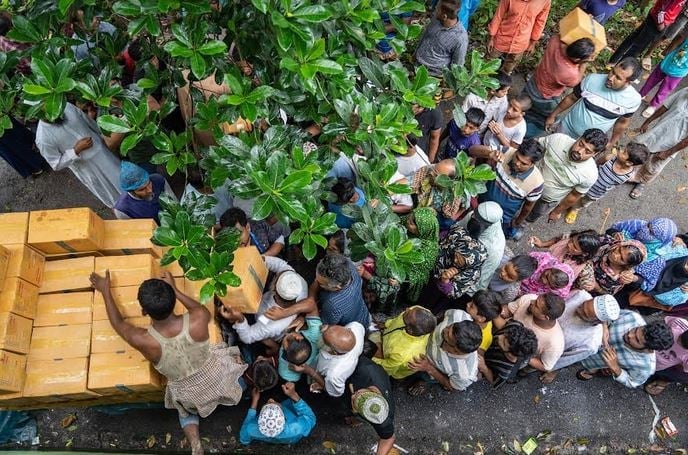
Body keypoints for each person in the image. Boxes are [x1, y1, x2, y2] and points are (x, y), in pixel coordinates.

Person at [89, 271, 247, 454]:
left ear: (143, 312)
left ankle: (195, 443)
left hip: (189, 393)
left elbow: (118, 324)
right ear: (174, 301)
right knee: (234, 366)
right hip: (217, 374)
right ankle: (238, 388)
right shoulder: (199, 318)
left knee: (185, 412)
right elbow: (197, 308)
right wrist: (175, 290)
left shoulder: (143, 339)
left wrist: (105, 291)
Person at [35, 102, 122, 207]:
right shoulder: (43, 138)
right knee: (113, 195)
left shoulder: (65, 106)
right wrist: (76, 150)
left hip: (104, 152)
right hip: (89, 169)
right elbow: (56, 164)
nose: (54, 114)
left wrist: (106, 137)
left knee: (124, 178)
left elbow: (88, 122)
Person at [545, 59, 642, 150]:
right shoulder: (591, 79)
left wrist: (612, 142)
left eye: (618, 78)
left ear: (629, 82)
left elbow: (622, 122)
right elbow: (571, 98)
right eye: (612, 71)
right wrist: (552, 115)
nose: (610, 78)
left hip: (589, 145)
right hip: (566, 129)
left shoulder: (633, 100)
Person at [266, 253, 371, 329]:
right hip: (361, 311)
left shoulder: (334, 304)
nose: (316, 282)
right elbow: (315, 286)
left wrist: (303, 317)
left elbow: (321, 324)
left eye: (321, 283)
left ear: (336, 288)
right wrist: (308, 303)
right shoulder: (347, 266)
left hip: (353, 328)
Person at [218, 257, 307, 345]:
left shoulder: (272, 323)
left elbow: (248, 337)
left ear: (273, 288)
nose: (276, 274)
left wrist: (240, 319)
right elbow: (281, 266)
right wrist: (261, 259)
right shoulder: (297, 282)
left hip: (262, 322)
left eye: (276, 276)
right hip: (262, 302)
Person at [527, 129, 606, 223]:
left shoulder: (590, 175)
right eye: (580, 144)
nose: (579, 151)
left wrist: (557, 212)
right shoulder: (558, 139)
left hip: (545, 200)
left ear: (595, 154)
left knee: (533, 214)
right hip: (527, 181)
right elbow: (535, 147)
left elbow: (573, 195)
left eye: (587, 151)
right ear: (579, 138)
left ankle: (521, 223)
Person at [540, 292, 621, 384]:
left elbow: (565, 359)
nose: (579, 310)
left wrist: (549, 368)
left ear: (597, 322)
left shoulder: (590, 344)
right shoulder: (581, 295)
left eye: (585, 314)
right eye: (583, 305)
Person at [472, 138, 545, 240]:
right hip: (480, 202)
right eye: (517, 157)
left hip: (502, 219)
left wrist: (517, 222)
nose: (517, 163)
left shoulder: (536, 183)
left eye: (523, 163)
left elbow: (528, 207)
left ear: (533, 164)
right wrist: (490, 153)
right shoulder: (505, 151)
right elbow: (472, 149)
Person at [578, 311, 674, 388]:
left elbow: (632, 382)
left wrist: (615, 368)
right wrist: (605, 326)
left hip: (592, 362)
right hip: (582, 341)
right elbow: (609, 315)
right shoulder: (633, 317)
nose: (629, 335)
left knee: (588, 367)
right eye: (635, 330)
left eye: (636, 340)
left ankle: (590, 372)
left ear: (648, 349)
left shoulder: (645, 367)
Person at [525, 36, 595, 138]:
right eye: (588, 58)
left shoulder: (555, 41)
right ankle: (525, 135)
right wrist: (584, 64)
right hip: (546, 97)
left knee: (525, 104)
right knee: (543, 118)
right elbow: (576, 82)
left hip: (534, 81)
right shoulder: (569, 72)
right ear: (577, 59)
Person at [563, 143, 650, 224]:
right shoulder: (609, 158)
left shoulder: (627, 176)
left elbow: (614, 184)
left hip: (596, 192)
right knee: (573, 193)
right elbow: (596, 164)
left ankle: (575, 209)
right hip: (585, 182)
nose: (620, 150)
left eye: (624, 152)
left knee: (583, 202)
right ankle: (565, 202)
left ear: (629, 162)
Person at [628, 87, 688, 199]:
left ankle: (641, 182)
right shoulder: (685, 91)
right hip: (656, 132)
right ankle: (625, 171)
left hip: (671, 143)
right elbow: (666, 106)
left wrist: (669, 152)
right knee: (636, 149)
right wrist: (647, 121)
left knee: (654, 166)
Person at [408, 309, 482, 395]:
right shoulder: (458, 315)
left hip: (431, 367)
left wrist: (429, 368)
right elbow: (444, 314)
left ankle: (424, 381)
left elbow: (452, 387)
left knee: (426, 376)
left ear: (456, 351)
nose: (444, 331)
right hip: (423, 342)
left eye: (446, 339)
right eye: (449, 326)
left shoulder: (464, 375)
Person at [421, 223, 487, 311]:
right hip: (428, 266)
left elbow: (453, 293)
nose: (455, 260)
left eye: (460, 262)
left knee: (425, 301)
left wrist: (445, 281)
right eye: (456, 255)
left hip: (436, 288)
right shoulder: (460, 238)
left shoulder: (471, 274)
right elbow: (443, 235)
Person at [498, 293, 566, 373]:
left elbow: (545, 366)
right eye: (536, 299)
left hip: (511, 360)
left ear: (545, 317)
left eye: (536, 305)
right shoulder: (528, 298)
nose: (531, 301)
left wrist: (523, 356)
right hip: (500, 335)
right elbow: (509, 310)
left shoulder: (555, 343)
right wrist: (498, 311)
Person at [296, 322, 365, 397]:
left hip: (322, 376)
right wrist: (329, 328)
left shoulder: (335, 374)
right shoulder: (355, 326)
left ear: (334, 352)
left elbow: (334, 392)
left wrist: (310, 371)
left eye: (323, 339)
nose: (322, 332)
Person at [608, 0, 687, 65]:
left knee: (634, 38)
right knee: (637, 48)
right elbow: (661, 9)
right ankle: (620, 68)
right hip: (657, 21)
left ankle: (613, 61)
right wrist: (660, 24)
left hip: (658, 17)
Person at [346, 356, 397, 455]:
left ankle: (356, 418)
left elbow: (388, 438)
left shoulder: (383, 418)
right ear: (373, 391)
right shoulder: (364, 368)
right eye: (357, 394)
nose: (352, 397)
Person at [239, 382, 316, 445]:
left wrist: (255, 401)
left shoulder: (251, 429)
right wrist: (293, 395)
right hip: (291, 439)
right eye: (272, 403)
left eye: (268, 404)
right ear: (284, 417)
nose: (270, 400)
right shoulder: (297, 428)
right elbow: (311, 417)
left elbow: (244, 440)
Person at [371, 306, 437, 379]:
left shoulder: (402, 354)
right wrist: (386, 324)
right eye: (410, 310)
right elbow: (396, 321)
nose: (407, 309)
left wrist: (370, 357)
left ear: (409, 330)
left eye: (407, 314)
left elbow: (386, 368)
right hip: (387, 342)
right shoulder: (416, 311)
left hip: (388, 359)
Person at [487, 0, 552, 74]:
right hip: (502, 37)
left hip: (521, 41)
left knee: (509, 67)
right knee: (489, 61)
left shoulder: (544, 1)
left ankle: (504, 80)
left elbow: (540, 22)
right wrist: (491, 37)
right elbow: (498, 16)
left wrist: (532, 43)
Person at [638, 34, 688, 118]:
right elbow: (680, 37)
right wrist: (667, 51)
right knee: (651, 80)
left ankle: (653, 105)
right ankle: (640, 95)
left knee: (665, 89)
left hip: (679, 72)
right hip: (668, 62)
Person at [414, 0, 467, 77]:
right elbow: (425, 35)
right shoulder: (436, 19)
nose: (434, 9)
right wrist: (415, 52)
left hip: (433, 74)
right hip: (417, 64)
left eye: (437, 9)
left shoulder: (460, 38)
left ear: (444, 16)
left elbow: (457, 65)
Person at [479, 320, 538, 388]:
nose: (499, 337)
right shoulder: (515, 326)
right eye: (505, 334)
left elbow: (494, 382)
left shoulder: (506, 371)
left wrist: (484, 368)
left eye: (503, 343)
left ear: (511, 354)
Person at [576, 239, 648, 295]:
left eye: (621, 258)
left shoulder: (617, 279)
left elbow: (608, 293)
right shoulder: (607, 243)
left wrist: (596, 286)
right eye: (619, 250)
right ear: (620, 245)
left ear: (627, 265)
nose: (615, 255)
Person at [462, 202, 506, 292]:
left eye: (475, 218)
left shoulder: (495, 249)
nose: (472, 216)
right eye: (474, 214)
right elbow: (457, 228)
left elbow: (481, 279)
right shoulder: (474, 216)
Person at [529, 230, 602, 279]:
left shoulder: (576, 268)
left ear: (585, 254)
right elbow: (556, 240)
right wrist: (542, 244)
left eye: (575, 247)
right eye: (571, 241)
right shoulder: (567, 238)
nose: (569, 245)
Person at [644, 316, 688, 395]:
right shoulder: (679, 323)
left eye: (682, 345)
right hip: (645, 349)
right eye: (680, 338)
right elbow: (660, 323)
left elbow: (681, 369)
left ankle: (663, 380)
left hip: (654, 366)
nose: (677, 341)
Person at [219, 208, 290, 257]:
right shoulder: (224, 247)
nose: (235, 239)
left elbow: (279, 239)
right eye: (229, 235)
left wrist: (264, 256)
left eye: (239, 233)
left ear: (247, 227)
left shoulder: (258, 224)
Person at [405, 207, 440, 303]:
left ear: (422, 229)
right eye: (409, 219)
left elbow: (414, 271)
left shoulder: (428, 249)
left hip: (412, 277)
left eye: (411, 223)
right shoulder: (414, 228)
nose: (407, 222)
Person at [278, 311, 322, 383]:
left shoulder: (286, 373)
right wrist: (302, 317)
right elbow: (312, 307)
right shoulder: (315, 335)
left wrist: (288, 333)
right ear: (301, 337)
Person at [609, 217, 678, 261]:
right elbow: (612, 229)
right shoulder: (636, 224)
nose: (646, 230)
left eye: (651, 233)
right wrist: (614, 233)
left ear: (658, 241)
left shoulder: (654, 255)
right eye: (648, 225)